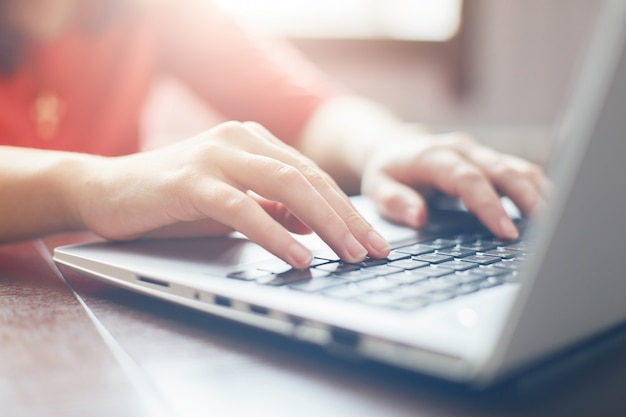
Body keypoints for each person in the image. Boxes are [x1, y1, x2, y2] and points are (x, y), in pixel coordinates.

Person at [0, 0, 548, 270]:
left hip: (99, 292)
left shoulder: (152, 10)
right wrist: (94, 186)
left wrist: (387, 144)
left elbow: (303, 104)